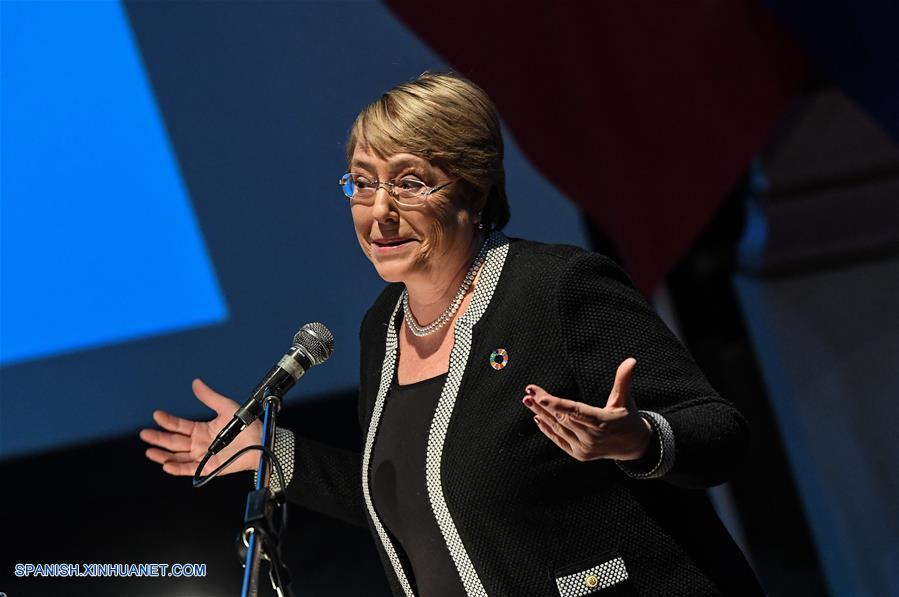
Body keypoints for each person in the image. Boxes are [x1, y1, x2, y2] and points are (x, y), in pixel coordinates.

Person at [140, 72, 764, 596]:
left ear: (473, 187)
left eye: (409, 182)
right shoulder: (382, 328)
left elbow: (721, 434)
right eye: (362, 182)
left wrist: (637, 439)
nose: (379, 210)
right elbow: (426, 502)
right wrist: (272, 454)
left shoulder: (556, 288)